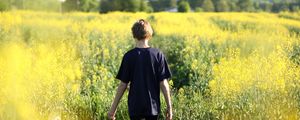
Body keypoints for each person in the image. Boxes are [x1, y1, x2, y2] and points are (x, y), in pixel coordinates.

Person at [108, 19, 173, 120]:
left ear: (134, 34)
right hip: (153, 107)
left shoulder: (128, 56)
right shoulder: (158, 55)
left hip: (135, 107)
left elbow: (122, 85)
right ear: (149, 34)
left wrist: (113, 109)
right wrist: (169, 107)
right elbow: (164, 84)